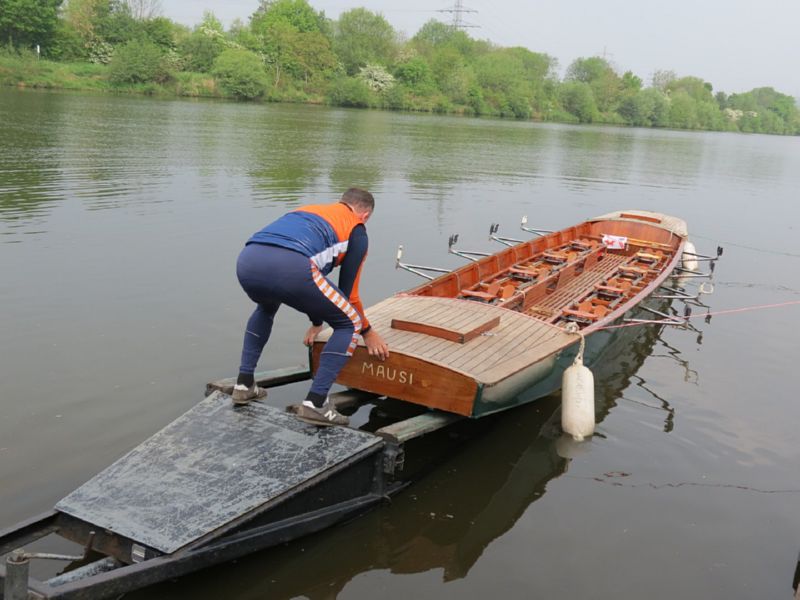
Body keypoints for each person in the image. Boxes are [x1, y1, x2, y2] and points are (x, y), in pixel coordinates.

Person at [232, 188, 389, 426]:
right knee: (350, 322)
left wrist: (317, 323)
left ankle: (244, 385)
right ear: (365, 215)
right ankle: (316, 404)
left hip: (249, 259)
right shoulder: (357, 230)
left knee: (266, 307)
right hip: (292, 266)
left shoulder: (311, 210)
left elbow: (317, 288)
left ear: (342, 202)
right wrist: (368, 332)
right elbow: (348, 296)